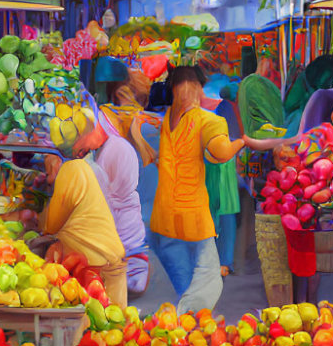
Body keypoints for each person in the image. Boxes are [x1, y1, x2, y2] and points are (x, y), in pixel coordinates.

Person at [151, 66, 246, 313]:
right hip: (192, 213)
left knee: (185, 277)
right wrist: (243, 141)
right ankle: (186, 320)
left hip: (165, 215)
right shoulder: (208, 119)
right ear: (196, 88)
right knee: (208, 276)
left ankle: (182, 325)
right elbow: (222, 152)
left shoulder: (169, 116)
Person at [70, 113, 150, 297]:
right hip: (117, 242)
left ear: (89, 132)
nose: (77, 150)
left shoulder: (116, 150)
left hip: (126, 244)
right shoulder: (102, 151)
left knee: (128, 285)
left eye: (78, 143)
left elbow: (105, 205)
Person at [37, 153, 128, 308]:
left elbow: (50, 225)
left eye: (48, 171)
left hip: (99, 265)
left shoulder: (71, 170)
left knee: (107, 325)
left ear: (58, 160)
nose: (49, 178)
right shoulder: (83, 168)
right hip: (107, 261)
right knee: (112, 325)